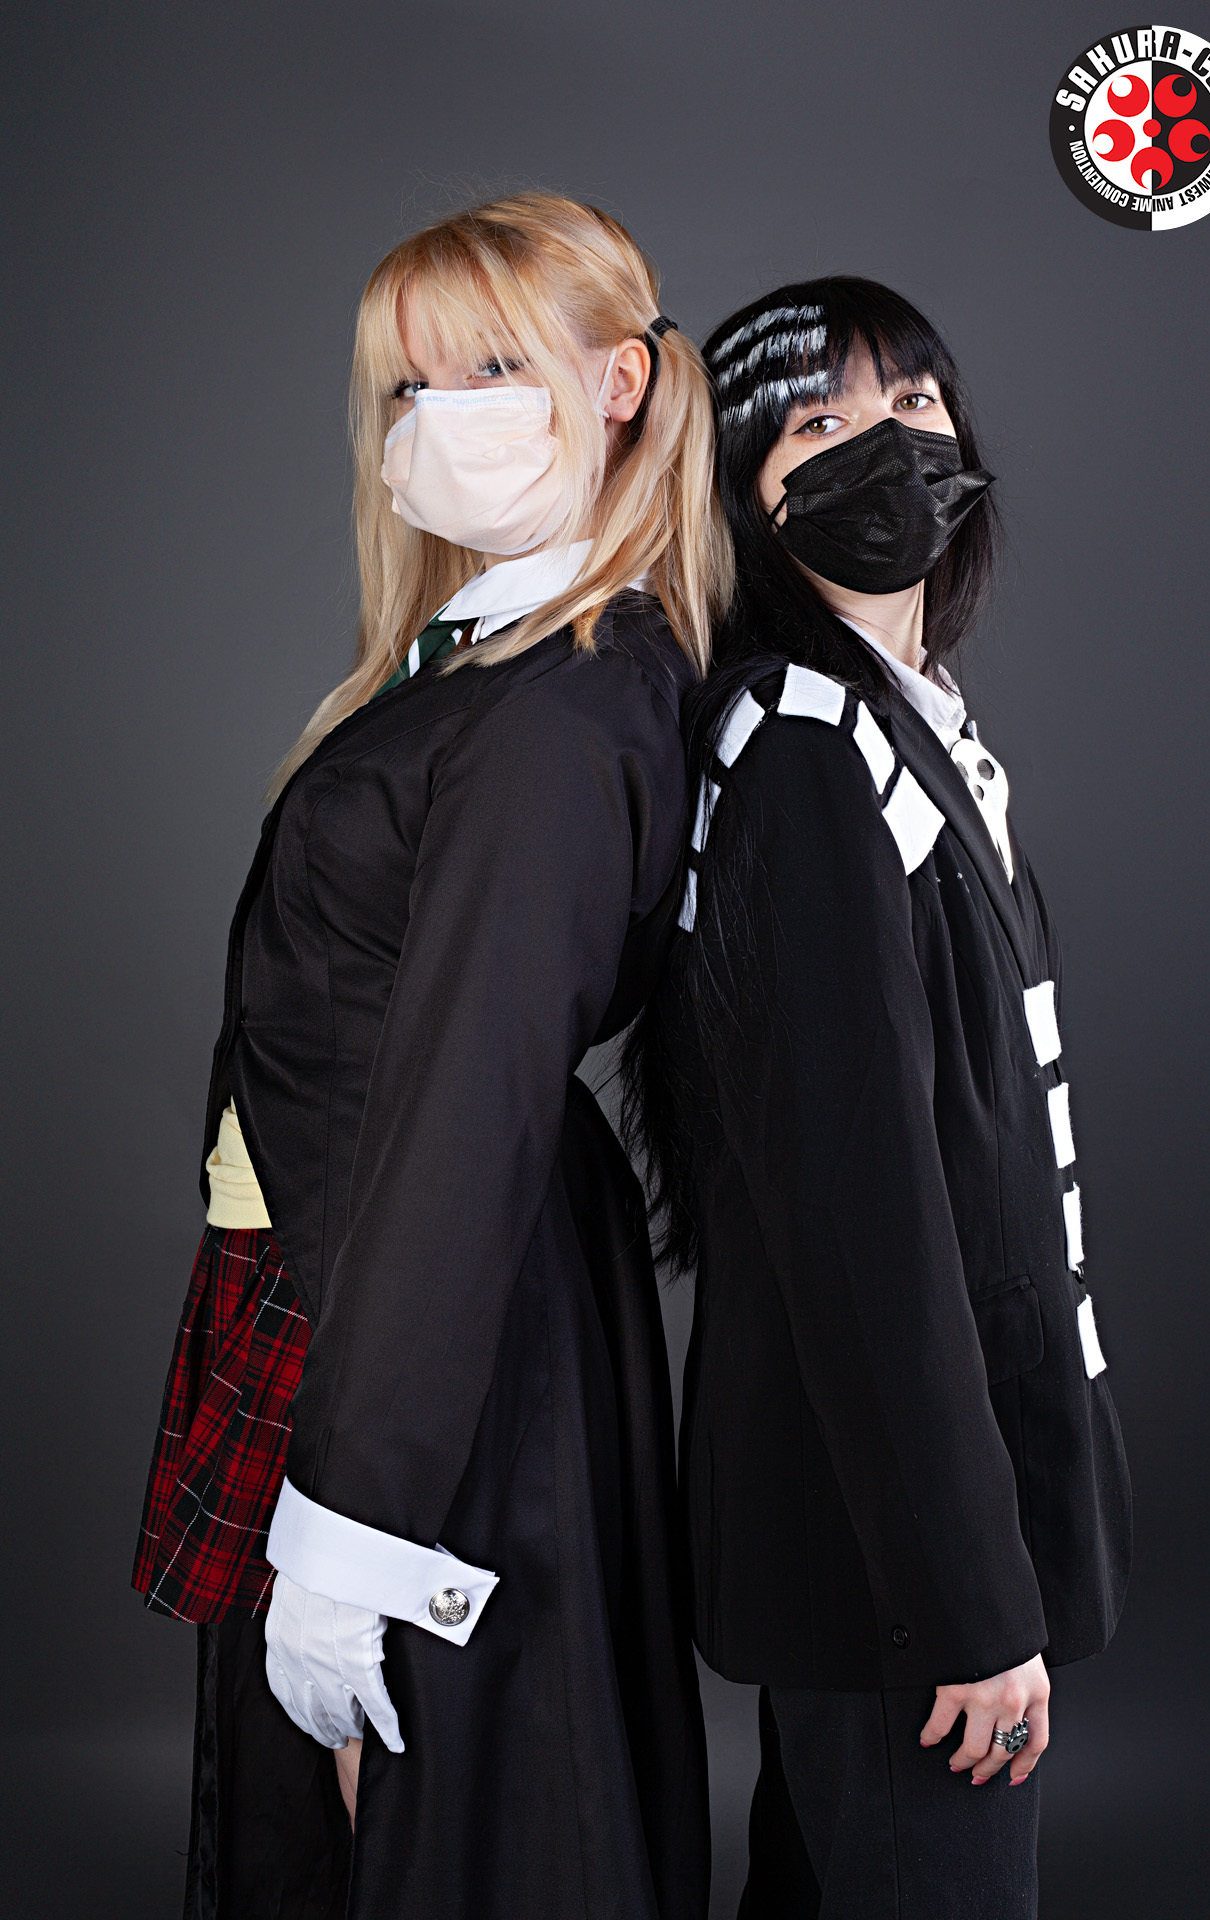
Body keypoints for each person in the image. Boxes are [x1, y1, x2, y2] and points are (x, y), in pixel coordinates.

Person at [134, 191, 732, 1920]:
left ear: (617, 382)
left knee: (455, 1833)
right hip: (366, 1278)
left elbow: (464, 1114)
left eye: (487, 369)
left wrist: (351, 1535)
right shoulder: (488, 663)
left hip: (434, 1320)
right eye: (408, 385)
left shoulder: (556, 708)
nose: (434, 418)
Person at [623, 277, 1131, 1918]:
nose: (888, 443)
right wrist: (966, 1604)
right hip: (890, 1566)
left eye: (913, 403)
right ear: (744, 489)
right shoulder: (802, 749)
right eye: (819, 420)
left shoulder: (902, 724)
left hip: (894, 1534)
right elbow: (865, 1227)